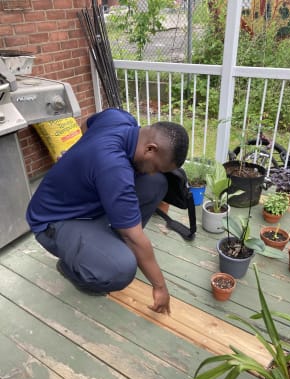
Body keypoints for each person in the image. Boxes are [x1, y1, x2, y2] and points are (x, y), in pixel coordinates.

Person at [26, 108, 189, 314]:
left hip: (86, 202)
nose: (154, 170)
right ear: (150, 149)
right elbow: (135, 238)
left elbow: (87, 124)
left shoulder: (120, 118)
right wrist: (160, 287)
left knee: (156, 182)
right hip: (54, 221)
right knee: (121, 268)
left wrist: (78, 152)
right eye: (156, 165)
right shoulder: (114, 168)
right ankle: (72, 269)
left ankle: (108, 242)